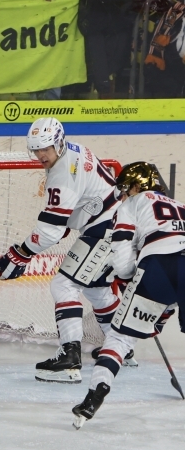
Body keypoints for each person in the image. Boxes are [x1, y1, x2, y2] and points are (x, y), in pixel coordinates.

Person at [0, 117, 122, 383]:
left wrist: (20, 254)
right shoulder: (75, 150)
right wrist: (65, 222)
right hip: (117, 223)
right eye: (36, 149)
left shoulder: (62, 172)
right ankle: (120, 347)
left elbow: (50, 231)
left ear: (59, 143)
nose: (41, 155)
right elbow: (81, 199)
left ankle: (69, 358)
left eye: (46, 148)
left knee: (64, 285)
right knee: (96, 289)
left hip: (106, 228)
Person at [73, 162, 181, 428]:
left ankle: (95, 395)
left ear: (136, 186)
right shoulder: (181, 206)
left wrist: (128, 275)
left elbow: (122, 256)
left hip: (160, 267)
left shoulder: (131, 205)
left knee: (120, 337)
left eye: (125, 189)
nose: (122, 195)